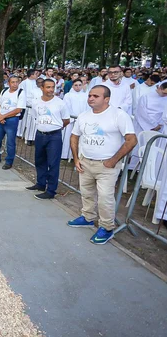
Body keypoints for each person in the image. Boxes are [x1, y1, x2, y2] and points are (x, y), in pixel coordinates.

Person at [68, 85, 137, 244]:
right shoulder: (84, 116)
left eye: (95, 96)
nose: (90, 98)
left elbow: (131, 140)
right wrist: (77, 159)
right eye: (90, 95)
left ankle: (107, 227)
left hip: (106, 166)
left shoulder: (118, 115)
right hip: (85, 162)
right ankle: (88, 217)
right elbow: (74, 136)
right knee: (86, 192)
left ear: (106, 99)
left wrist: (113, 160)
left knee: (105, 198)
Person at [26, 79, 70, 200]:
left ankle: (51, 190)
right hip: (40, 134)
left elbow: (66, 120)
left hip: (54, 136)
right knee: (39, 160)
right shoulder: (36, 103)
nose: (51, 90)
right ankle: (40, 184)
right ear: (42, 88)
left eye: (53, 87)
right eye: (48, 87)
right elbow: (36, 117)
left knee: (53, 163)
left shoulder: (60, 103)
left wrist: (54, 128)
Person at [0, 76, 26, 169]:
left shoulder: (21, 93)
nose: (15, 84)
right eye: (13, 82)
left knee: (10, 142)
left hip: (12, 120)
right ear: (8, 83)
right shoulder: (4, 91)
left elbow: (18, 109)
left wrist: (3, 116)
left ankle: (9, 161)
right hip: (1, 119)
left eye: (16, 82)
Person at [61, 79, 89, 159]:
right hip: (71, 120)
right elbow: (66, 107)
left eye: (80, 85)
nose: (78, 87)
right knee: (68, 137)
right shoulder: (68, 95)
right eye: (76, 85)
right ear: (73, 86)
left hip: (81, 120)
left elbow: (87, 108)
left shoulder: (85, 95)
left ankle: (75, 156)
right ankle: (65, 154)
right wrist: (73, 117)